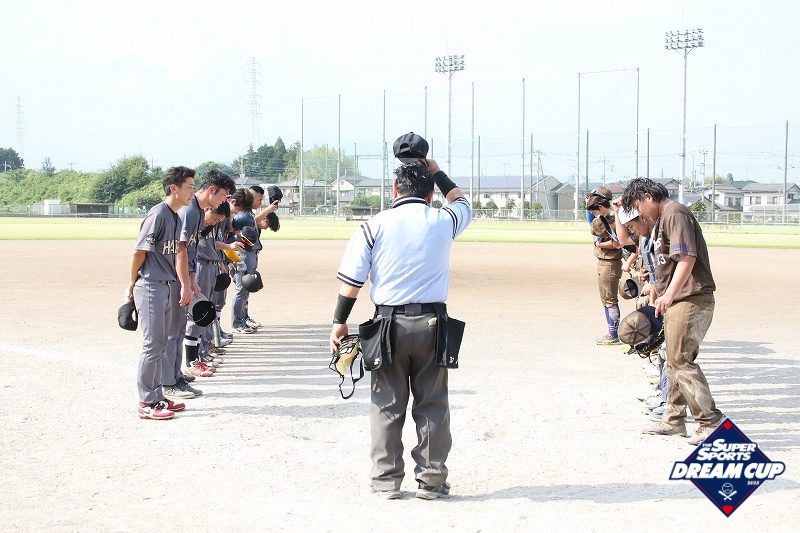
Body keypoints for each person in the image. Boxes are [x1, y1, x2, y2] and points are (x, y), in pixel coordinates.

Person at [328, 132, 472, 501]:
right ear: (430, 193)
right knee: (433, 404)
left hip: (387, 325)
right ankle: (432, 481)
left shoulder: (373, 225)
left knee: (386, 406)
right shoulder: (443, 220)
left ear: (394, 189)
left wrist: (339, 322)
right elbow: (461, 201)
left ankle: (386, 481)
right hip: (433, 325)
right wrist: (436, 171)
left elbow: (351, 284)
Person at [620, 178, 725, 446]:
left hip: (690, 296)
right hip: (679, 297)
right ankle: (674, 419)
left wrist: (669, 293)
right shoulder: (662, 220)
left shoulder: (675, 214)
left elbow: (687, 258)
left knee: (680, 360)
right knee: (673, 360)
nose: (640, 214)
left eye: (638, 207)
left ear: (648, 197)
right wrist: (660, 290)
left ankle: (711, 422)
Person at [127, 167, 196, 419]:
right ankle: (146, 401)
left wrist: (184, 284)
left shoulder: (176, 216)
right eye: (189, 187)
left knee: (161, 343)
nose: (192, 192)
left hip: (165, 286)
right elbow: (138, 252)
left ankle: (157, 395)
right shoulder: (158, 214)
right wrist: (132, 283)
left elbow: (176, 253)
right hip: (150, 285)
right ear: (174, 188)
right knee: (152, 344)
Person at [163, 168, 236, 400]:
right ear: (212, 190)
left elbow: (191, 249)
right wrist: (186, 283)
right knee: (173, 331)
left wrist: (192, 279)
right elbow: (181, 250)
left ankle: (176, 374)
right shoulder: (189, 210)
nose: (225, 200)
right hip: (175, 277)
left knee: (177, 330)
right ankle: (169, 380)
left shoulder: (196, 210)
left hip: (187, 275)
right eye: (223, 195)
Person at [585, 187, 624, 345]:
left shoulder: (612, 219)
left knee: (610, 299)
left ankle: (613, 334)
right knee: (606, 299)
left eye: (594, 210)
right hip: (605, 261)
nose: (593, 214)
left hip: (610, 262)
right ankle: (612, 332)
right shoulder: (607, 217)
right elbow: (592, 223)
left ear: (601, 205)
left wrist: (599, 245)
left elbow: (617, 243)